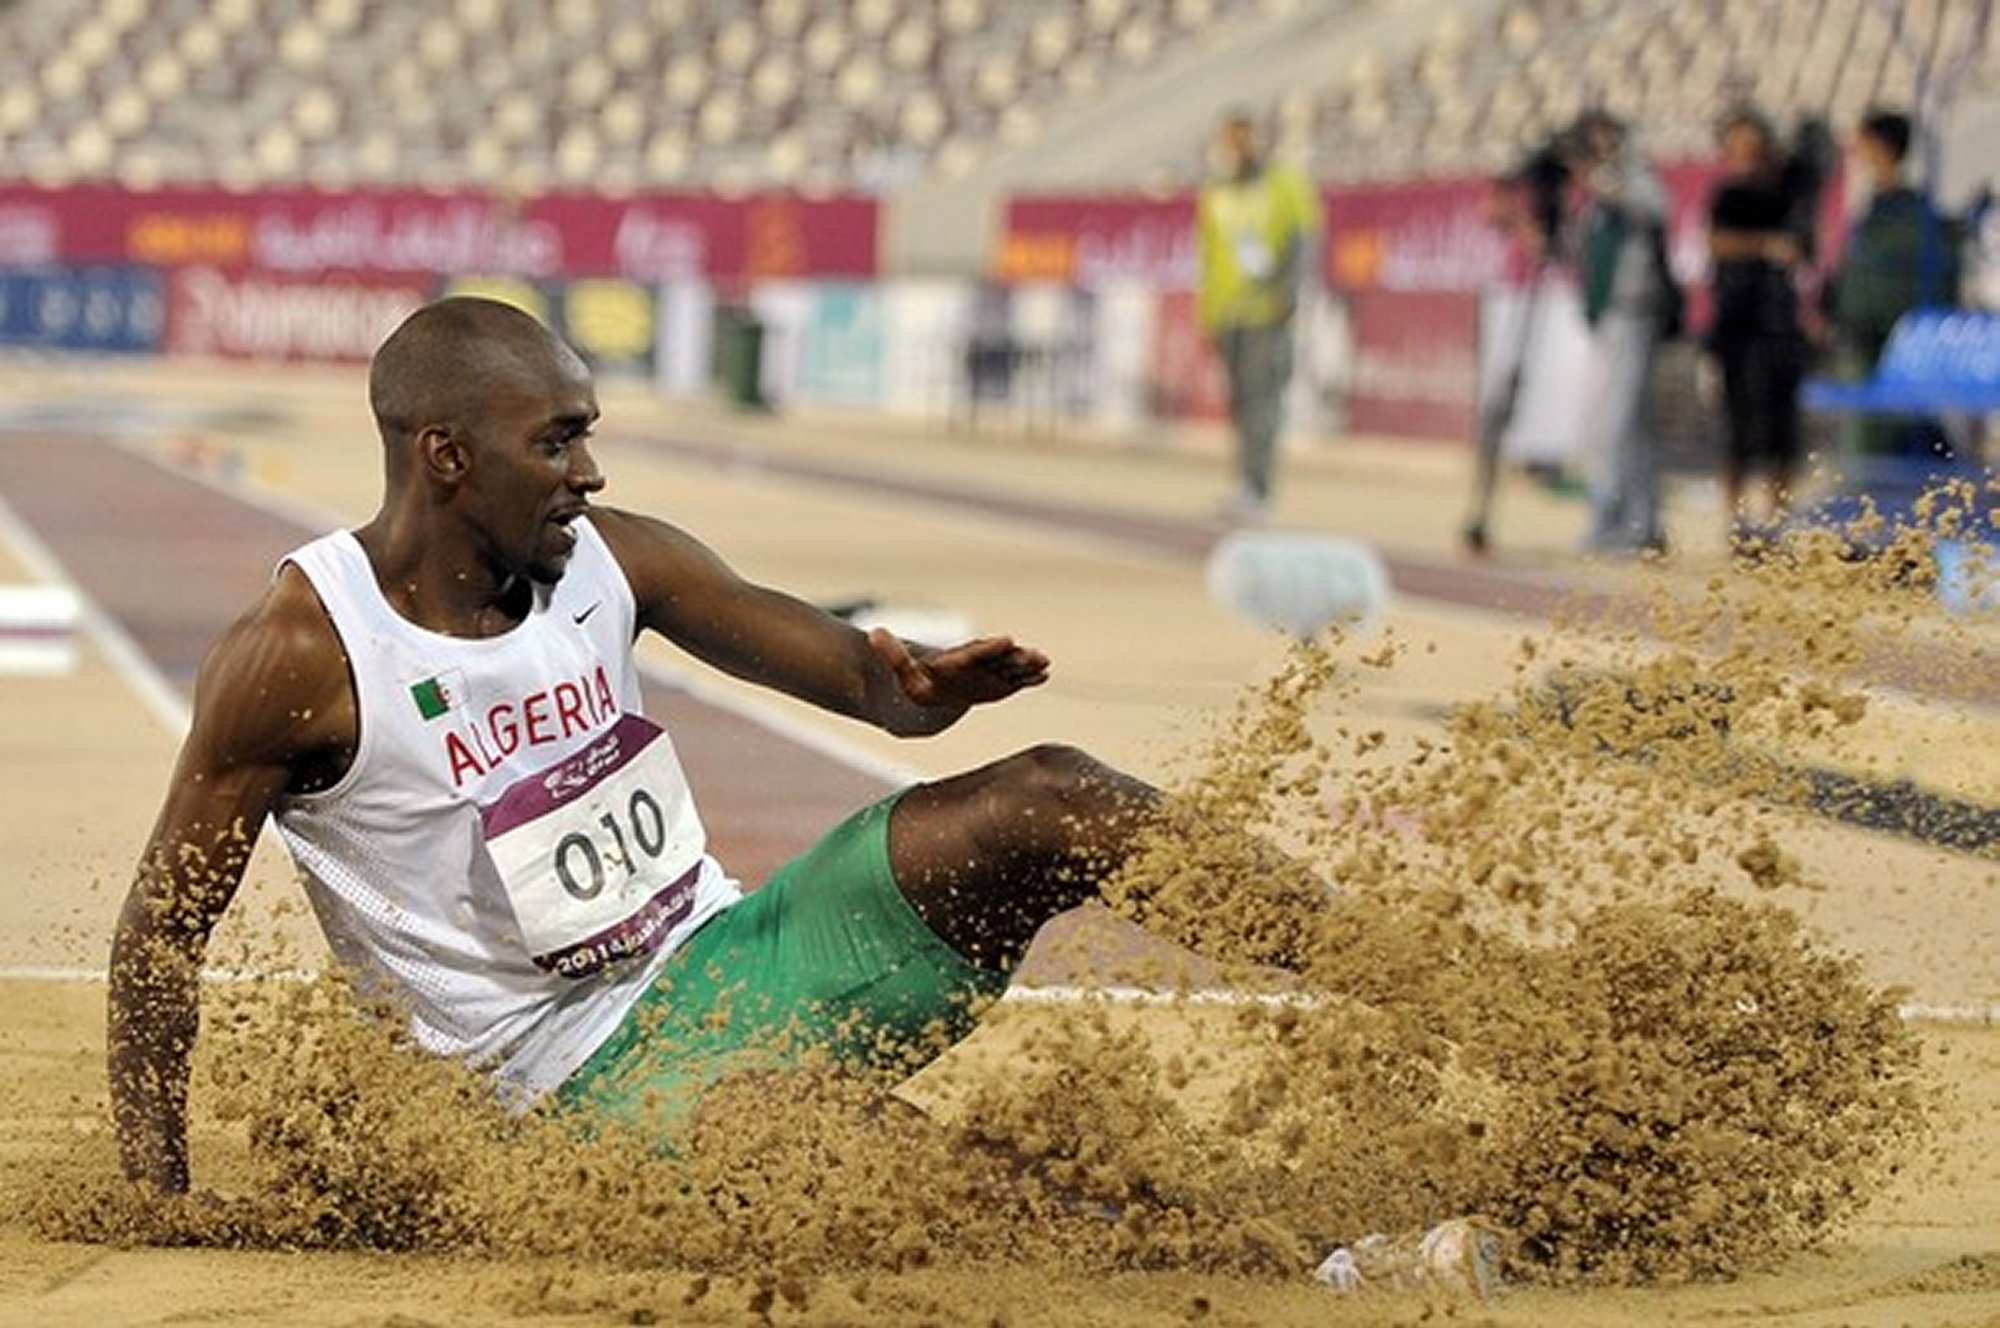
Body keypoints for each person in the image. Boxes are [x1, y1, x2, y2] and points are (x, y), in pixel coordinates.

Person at [106, 296, 1237, 1194]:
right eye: (556, 441)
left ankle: (1408, 975)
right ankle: (1237, 1257)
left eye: (586, 435)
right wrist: (156, 1189)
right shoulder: (305, 653)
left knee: (1052, 790)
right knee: (858, 1155)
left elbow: (856, 676)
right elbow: (163, 927)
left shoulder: (610, 557)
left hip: (733, 959)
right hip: (568, 1085)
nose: (588, 473)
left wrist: (920, 697)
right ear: (447, 456)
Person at [1195, 110, 1323, 524]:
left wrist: (1290, 296)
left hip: (1267, 313)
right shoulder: (1215, 193)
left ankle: (1258, 489)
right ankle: (1245, 484)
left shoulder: (1285, 184)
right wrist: (1208, 315)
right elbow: (1210, 258)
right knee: (1240, 405)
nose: (1237, 149)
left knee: (1263, 403)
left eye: (1244, 140)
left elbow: (1304, 241)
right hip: (1227, 313)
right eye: (1230, 141)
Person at [1824, 106, 1963, 461]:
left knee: (1883, 449)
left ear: (1880, 146)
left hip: (1885, 342)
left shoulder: (1903, 213)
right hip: (1872, 337)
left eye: (1863, 142)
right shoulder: (1878, 207)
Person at [1569, 110, 1676, 557]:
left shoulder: (1633, 177)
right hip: (1607, 316)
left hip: (1635, 312)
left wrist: (1606, 179)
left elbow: (1657, 209)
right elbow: (1582, 252)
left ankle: (1618, 521)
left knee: (1621, 422)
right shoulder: (1595, 200)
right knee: (1618, 424)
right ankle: (1640, 522)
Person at [1704, 108, 1812, 548]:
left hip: (1779, 327)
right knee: (1738, 428)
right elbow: (1716, 242)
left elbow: (1806, 248)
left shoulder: (1790, 196)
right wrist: (1765, 246)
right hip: (1735, 326)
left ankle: (1777, 524)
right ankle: (1735, 521)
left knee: (1782, 430)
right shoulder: (1726, 197)